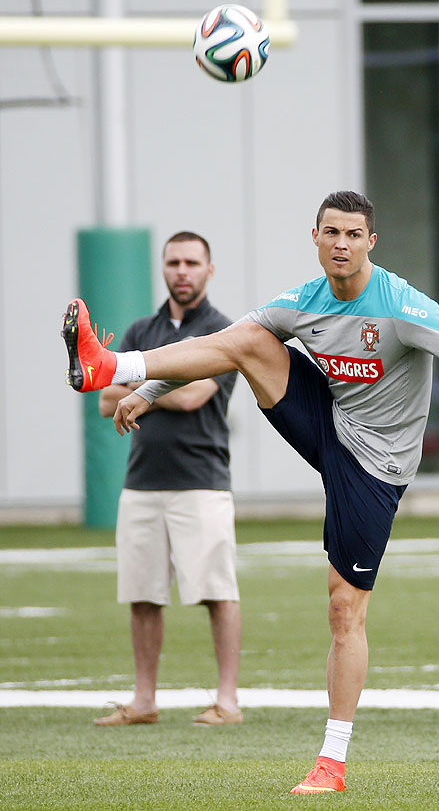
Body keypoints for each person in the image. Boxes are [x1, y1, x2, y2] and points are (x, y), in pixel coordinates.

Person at [62, 191, 439, 792]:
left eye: (354, 234)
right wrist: (149, 391)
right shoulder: (305, 299)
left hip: (374, 468)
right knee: (247, 338)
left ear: (371, 242)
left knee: (343, 607)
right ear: (317, 237)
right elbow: (222, 347)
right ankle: (108, 368)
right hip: (325, 423)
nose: (342, 244)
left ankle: (333, 762)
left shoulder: (401, 306)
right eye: (332, 233)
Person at [93, 231, 242, 728]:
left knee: (217, 593)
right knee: (142, 594)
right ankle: (144, 700)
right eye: (174, 262)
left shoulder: (223, 331)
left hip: (202, 481)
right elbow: (104, 401)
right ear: (163, 268)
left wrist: (135, 384)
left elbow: (195, 395)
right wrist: (153, 387)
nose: (182, 270)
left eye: (192, 262)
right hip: (141, 483)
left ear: (209, 269)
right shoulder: (141, 329)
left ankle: (227, 700)